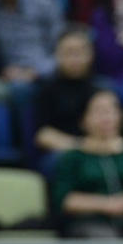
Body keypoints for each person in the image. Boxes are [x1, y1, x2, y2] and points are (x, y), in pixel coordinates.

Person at [50, 89, 123, 237]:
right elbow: (65, 200)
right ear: (83, 119)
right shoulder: (73, 157)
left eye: (111, 110)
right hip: (91, 221)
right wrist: (105, 205)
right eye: (98, 111)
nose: (106, 117)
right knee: (103, 237)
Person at [33, 25, 103, 163]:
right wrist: (83, 147)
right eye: (69, 52)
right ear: (57, 55)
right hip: (63, 151)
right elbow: (42, 135)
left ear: (91, 54)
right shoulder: (46, 89)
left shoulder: (101, 88)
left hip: (99, 148)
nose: (75, 58)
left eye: (80, 52)